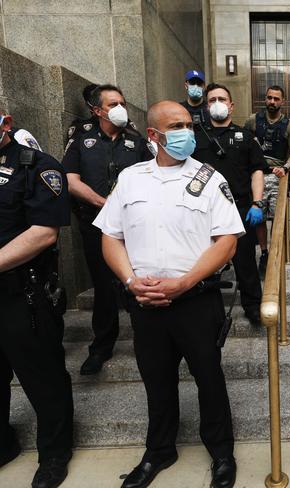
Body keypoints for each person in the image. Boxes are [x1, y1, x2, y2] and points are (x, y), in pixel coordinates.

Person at [94, 100, 244, 488]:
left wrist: (184, 282)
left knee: (209, 378)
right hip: (145, 302)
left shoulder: (211, 178)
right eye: (175, 126)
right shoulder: (130, 178)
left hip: (195, 299)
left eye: (187, 125)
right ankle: (159, 450)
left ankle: (222, 452)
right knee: (156, 380)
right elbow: (110, 237)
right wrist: (131, 282)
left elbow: (226, 242)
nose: (186, 132)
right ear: (153, 136)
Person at [0, 111, 74, 488]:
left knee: (43, 378)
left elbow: (44, 233)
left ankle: (55, 452)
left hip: (22, 294)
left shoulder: (38, 167)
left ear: (5, 123)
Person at [62, 84, 154, 375]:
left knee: (135, 280)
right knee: (103, 286)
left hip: (133, 226)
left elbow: (152, 178)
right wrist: (104, 203)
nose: (120, 109)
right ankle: (101, 346)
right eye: (113, 104)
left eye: (123, 103)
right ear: (97, 110)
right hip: (95, 224)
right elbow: (70, 180)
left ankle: (147, 344)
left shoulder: (136, 142)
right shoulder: (81, 141)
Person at [192, 83, 267, 326]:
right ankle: (203, 306)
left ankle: (253, 305)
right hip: (203, 211)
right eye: (212, 99)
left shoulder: (245, 136)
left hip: (239, 207)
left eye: (222, 99)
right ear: (206, 106)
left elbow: (257, 171)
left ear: (231, 105)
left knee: (245, 261)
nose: (217, 104)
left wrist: (257, 203)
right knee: (203, 260)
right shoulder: (195, 136)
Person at [243, 85, 290, 275]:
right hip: (256, 173)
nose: (272, 102)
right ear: (265, 99)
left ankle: (277, 251)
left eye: (276, 98)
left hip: (277, 176)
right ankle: (265, 253)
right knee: (258, 216)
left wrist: (285, 168)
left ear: (282, 101)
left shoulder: (289, 125)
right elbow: (243, 145)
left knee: (277, 218)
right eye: (269, 98)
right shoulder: (253, 121)